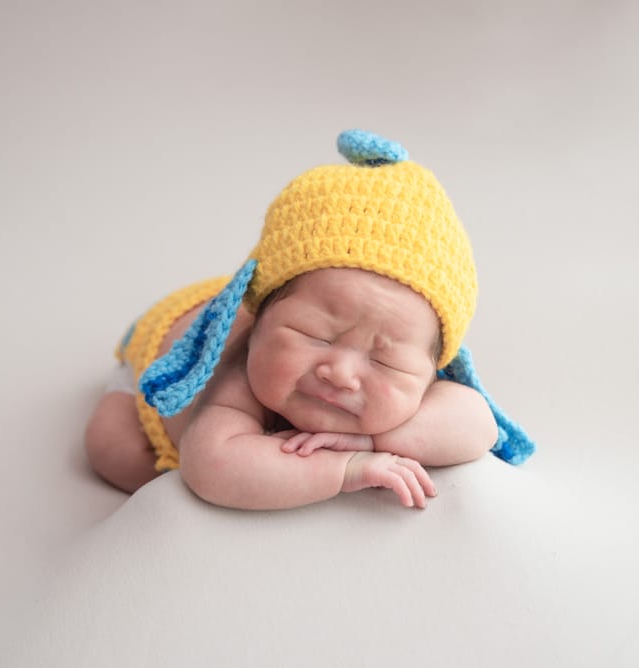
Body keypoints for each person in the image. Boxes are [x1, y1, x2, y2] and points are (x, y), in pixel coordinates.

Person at [84, 130, 535, 509]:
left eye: (385, 361)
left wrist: (373, 442)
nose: (341, 373)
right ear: (258, 323)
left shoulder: (412, 360)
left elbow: (477, 424)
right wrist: (345, 469)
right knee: (112, 449)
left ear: (435, 367)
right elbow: (211, 465)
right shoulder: (241, 377)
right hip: (161, 336)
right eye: (315, 334)